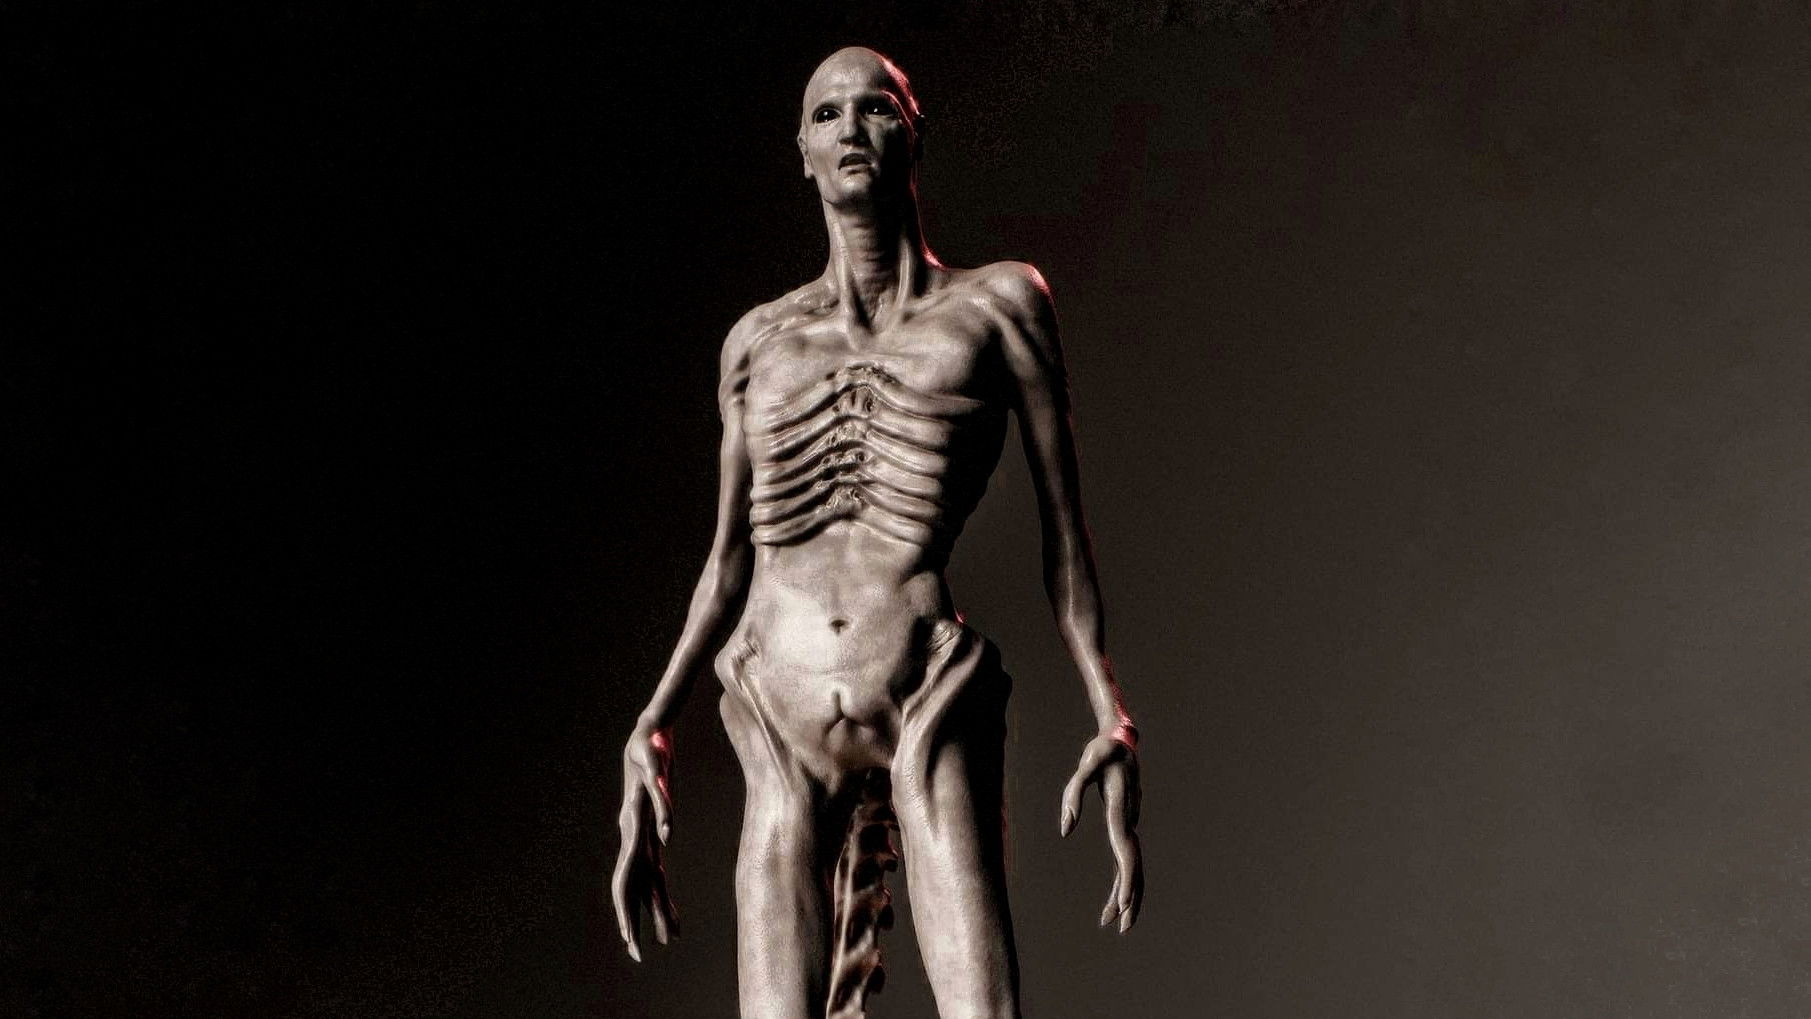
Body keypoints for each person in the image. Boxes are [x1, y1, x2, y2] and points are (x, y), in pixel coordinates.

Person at [611, 46, 1142, 1019]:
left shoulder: (998, 307)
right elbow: (727, 558)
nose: (850, 128)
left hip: (922, 682)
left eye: (876, 107)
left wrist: (1109, 711)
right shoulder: (756, 342)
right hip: (775, 697)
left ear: (915, 132)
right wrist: (651, 721)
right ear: (801, 151)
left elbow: (1064, 535)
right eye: (826, 113)